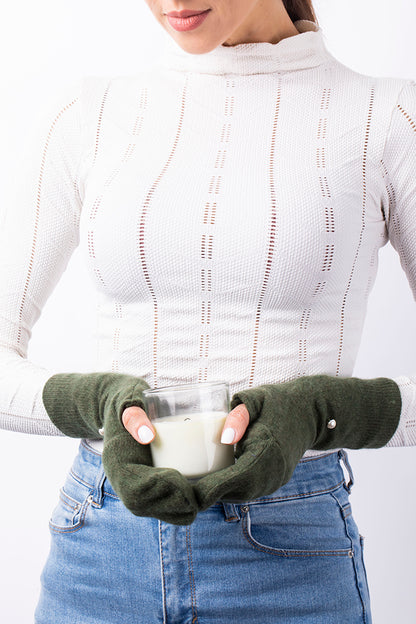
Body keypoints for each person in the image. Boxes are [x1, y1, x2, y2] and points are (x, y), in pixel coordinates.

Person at [0, 0, 415, 622]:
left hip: (290, 553)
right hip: (100, 551)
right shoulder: (90, 115)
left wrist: (322, 413)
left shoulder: (388, 118)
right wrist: (93, 402)